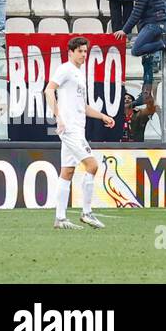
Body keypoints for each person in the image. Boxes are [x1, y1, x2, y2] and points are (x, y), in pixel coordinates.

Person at [46, 37, 115, 229]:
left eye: (85, 51)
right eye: (80, 51)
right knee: (92, 166)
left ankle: (60, 219)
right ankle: (87, 213)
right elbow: (49, 90)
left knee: (67, 171)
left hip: (77, 127)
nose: (84, 55)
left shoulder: (78, 73)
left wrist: (102, 116)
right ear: (71, 52)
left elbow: (82, 106)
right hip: (69, 128)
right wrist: (58, 116)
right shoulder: (65, 69)